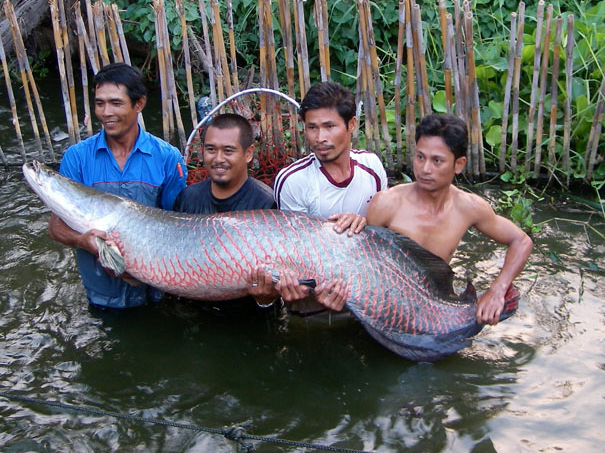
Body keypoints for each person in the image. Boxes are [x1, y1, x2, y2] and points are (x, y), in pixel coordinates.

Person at [362, 113, 533, 324]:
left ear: (459, 164)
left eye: (437, 161)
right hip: (387, 309)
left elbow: (522, 241)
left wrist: (498, 289)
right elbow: (364, 265)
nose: (425, 169)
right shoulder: (387, 203)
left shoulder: (468, 207)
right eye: (420, 157)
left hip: (436, 306)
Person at [48, 62, 186, 309]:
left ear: (139, 104)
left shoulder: (167, 157)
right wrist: (83, 241)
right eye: (100, 103)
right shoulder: (76, 157)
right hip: (101, 294)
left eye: (116, 103)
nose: (106, 112)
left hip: (155, 292)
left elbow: (177, 227)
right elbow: (56, 226)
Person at [273, 81, 386, 313]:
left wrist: (366, 223)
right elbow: (294, 256)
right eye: (312, 127)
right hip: (313, 306)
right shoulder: (293, 181)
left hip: (365, 296)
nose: (319, 137)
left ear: (351, 124)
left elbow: (385, 236)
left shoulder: (372, 166)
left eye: (329, 126)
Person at [174, 112, 278, 308]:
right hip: (195, 311)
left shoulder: (266, 203)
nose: (218, 159)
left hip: (246, 316)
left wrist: (266, 298)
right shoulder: (187, 197)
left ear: (248, 154)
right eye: (211, 149)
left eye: (228, 151)